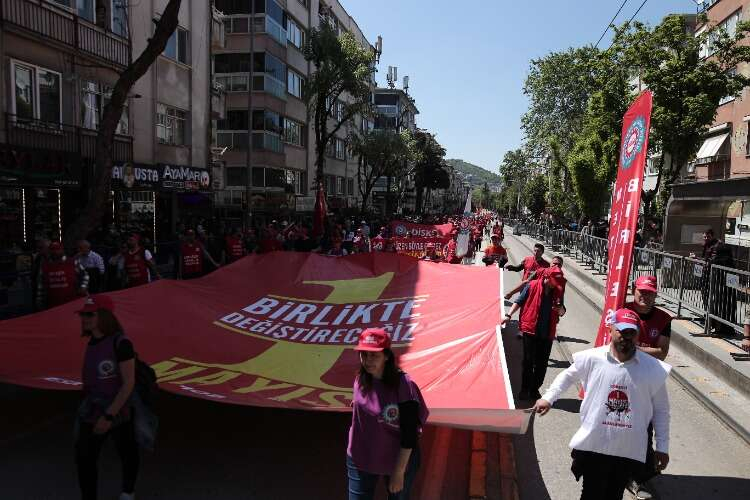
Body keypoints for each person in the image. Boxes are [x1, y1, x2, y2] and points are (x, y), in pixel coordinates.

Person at [532, 308, 671, 500]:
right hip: (595, 444)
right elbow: (568, 376)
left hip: (627, 449)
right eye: (621, 331)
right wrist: (549, 397)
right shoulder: (592, 358)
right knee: (591, 493)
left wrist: (662, 447)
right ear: (610, 330)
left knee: (614, 494)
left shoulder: (652, 368)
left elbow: (661, 410)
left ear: (638, 335)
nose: (626, 337)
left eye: (631, 332)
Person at [347, 328, 429, 500]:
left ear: (386, 356)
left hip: (397, 461)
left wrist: (399, 472)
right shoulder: (360, 380)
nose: (368, 360)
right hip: (361, 457)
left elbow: (410, 433)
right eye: (364, 354)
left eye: (374, 355)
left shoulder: (403, 384)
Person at [74, 295, 139, 500]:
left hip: (117, 410)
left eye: (89, 314)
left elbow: (128, 383)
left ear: (104, 316)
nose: (84, 318)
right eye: (83, 314)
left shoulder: (121, 343)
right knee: (84, 457)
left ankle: (128, 492)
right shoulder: (92, 342)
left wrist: (109, 415)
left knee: (127, 451)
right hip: (93, 409)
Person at [623, 275, 672, 500]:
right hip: (622, 378)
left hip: (647, 381)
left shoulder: (663, 319)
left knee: (644, 429)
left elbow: (662, 352)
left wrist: (632, 348)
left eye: (650, 292)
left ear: (655, 294)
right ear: (634, 290)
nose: (645, 296)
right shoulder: (622, 310)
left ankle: (638, 476)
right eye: (642, 291)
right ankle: (622, 471)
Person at [502, 267, 566, 400]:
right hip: (530, 329)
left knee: (542, 364)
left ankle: (534, 389)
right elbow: (519, 301)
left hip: (547, 333)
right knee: (528, 361)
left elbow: (562, 312)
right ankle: (525, 389)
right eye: (554, 281)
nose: (555, 284)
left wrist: (560, 309)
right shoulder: (532, 286)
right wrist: (508, 315)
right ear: (547, 277)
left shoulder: (558, 290)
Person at [37, 241, 89, 310]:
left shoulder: (72, 262)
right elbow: (41, 284)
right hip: (53, 304)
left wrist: (83, 287)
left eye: (57, 249)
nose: (55, 252)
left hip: (72, 302)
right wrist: (39, 300)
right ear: (50, 251)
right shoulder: (45, 266)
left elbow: (85, 275)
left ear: (62, 250)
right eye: (53, 249)